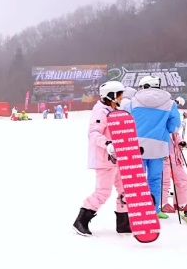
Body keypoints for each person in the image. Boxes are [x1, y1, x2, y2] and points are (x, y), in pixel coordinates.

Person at [73, 81, 130, 236]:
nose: (121, 98)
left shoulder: (115, 110)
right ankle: (81, 221)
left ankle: (124, 223)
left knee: (125, 189)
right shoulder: (101, 112)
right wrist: (108, 144)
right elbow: (94, 133)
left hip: (117, 158)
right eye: (119, 95)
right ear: (110, 95)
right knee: (103, 192)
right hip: (105, 158)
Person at [131, 75, 181, 215]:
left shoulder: (133, 101)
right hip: (159, 147)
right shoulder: (170, 103)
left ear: (144, 86)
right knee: (155, 179)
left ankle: (138, 209)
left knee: (137, 179)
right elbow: (174, 127)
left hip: (137, 146)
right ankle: (153, 209)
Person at [160, 130, 187, 217]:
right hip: (164, 159)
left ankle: (181, 203)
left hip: (176, 158)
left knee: (182, 179)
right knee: (164, 182)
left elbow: (176, 135)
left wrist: (180, 141)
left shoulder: (172, 125)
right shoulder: (159, 124)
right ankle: (162, 204)